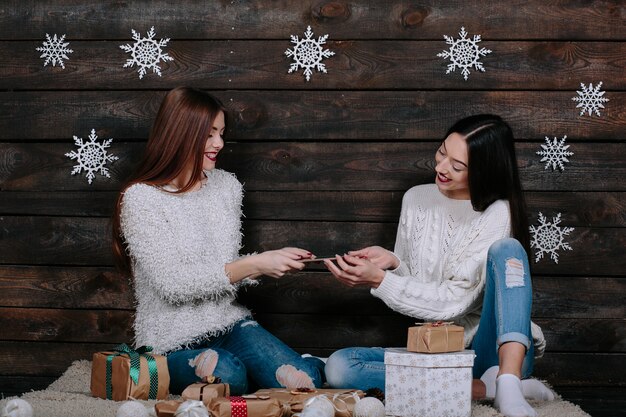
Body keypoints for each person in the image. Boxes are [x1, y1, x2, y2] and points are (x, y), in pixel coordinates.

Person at [323, 115, 554, 417]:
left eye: (457, 166)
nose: (441, 167)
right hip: (437, 351)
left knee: (508, 249)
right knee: (340, 368)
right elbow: (419, 296)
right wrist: (394, 263)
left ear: (484, 171)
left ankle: (508, 381)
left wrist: (382, 281)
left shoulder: (498, 212)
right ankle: (487, 389)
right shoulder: (416, 199)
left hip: (493, 351)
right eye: (442, 152)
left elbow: (454, 302)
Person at [111, 87, 324, 395]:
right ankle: (226, 368)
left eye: (222, 133)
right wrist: (253, 264)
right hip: (172, 339)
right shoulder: (140, 199)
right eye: (209, 134)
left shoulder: (227, 187)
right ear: (180, 133)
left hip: (229, 324)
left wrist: (267, 263)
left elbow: (224, 270)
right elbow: (173, 285)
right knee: (227, 375)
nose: (219, 144)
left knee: (306, 381)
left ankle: (282, 364)